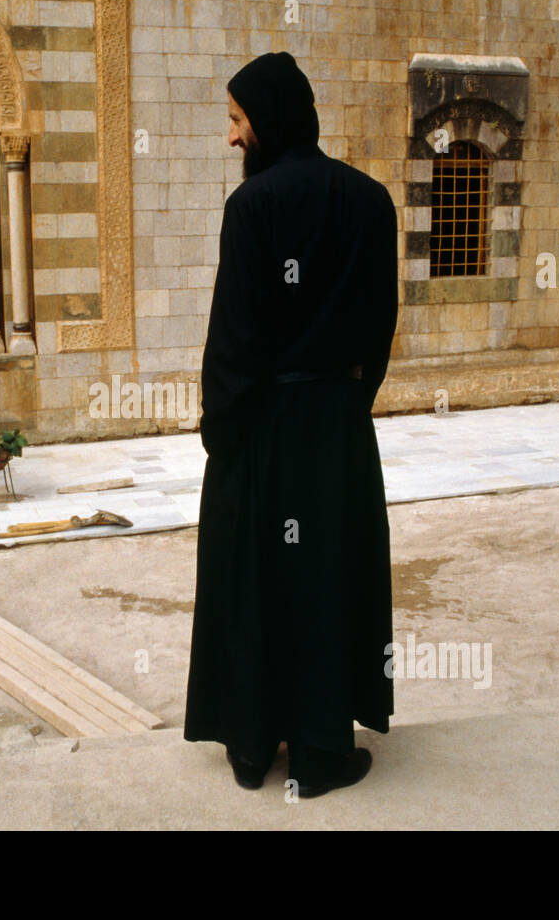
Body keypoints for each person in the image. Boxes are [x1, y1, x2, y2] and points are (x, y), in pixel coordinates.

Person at [183, 51, 398, 798]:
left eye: (238, 120)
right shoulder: (372, 202)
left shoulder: (253, 208)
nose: (233, 137)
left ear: (268, 121)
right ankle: (319, 751)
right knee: (327, 584)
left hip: (262, 429)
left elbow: (234, 339)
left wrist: (224, 436)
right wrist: (341, 406)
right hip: (336, 429)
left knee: (257, 582)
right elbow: (379, 330)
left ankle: (252, 745)